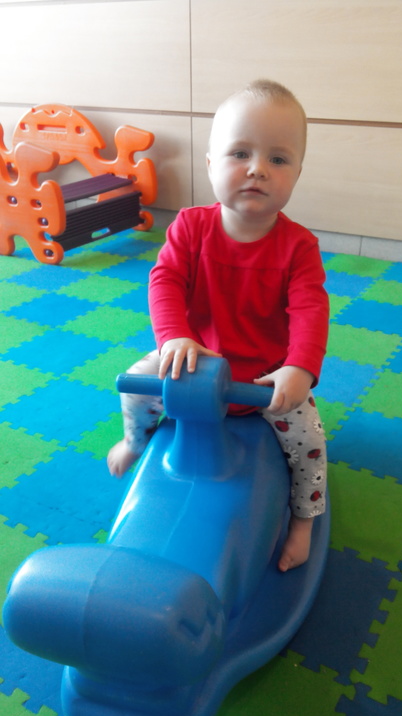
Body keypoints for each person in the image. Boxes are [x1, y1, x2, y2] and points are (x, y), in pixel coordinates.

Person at [108, 79, 329, 572]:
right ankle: (135, 442)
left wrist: (299, 368)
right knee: (135, 387)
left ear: (296, 174)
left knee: (310, 444)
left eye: (278, 159)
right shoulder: (190, 227)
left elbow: (310, 309)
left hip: (264, 378)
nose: (257, 169)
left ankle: (303, 523)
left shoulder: (299, 247)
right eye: (240, 153)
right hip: (194, 363)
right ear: (211, 165)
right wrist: (175, 337)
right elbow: (164, 280)